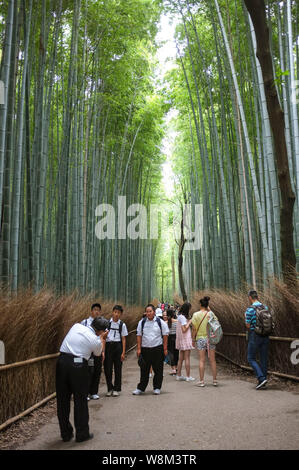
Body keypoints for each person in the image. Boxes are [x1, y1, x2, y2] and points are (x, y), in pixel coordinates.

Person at [56, 316, 109, 443]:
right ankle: (82, 433)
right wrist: (102, 339)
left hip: (62, 362)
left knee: (62, 400)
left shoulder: (76, 326)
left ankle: (65, 434)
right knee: (80, 400)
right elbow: (97, 353)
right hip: (78, 365)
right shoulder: (95, 340)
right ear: (101, 331)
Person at [133, 304, 169, 395]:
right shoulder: (142, 322)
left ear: (154, 312)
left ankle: (157, 387)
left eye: (150, 311)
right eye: (147, 311)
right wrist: (138, 348)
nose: (148, 313)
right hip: (145, 349)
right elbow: (139, 335)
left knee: (158, 370)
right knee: (144, 370)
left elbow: (165, 335)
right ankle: (141, 388)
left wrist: (165, 348)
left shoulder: (160, 322)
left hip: (157, 348)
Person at [245, 290, 269, 389]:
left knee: (250, 358)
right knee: (263, 359)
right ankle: (263, 381)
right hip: (266, 335)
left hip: (255, 335)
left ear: (250, 297)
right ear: (257, 297)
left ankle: (261, 378)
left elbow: (247, 325)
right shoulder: (265, 307)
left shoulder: (250, 309)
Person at [191, 296, 217, 387]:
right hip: (211, 339)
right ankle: (214, 380)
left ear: (200, 304)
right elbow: (216, 324)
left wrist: (193, 339)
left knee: (202, 360)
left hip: (200, 338)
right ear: (207, 305)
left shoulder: (196, 314)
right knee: (213, 360)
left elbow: (194, 329)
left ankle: (202, 381)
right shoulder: (211, 314)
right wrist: (209, 309)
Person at [81, 303, 104, 400]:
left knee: (97, 370)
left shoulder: (102, 323)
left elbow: (103, 338)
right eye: (95, 309)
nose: (97, 311)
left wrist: (103, 351)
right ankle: (85, 393)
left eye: (98, 310)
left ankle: (94, 392)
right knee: (87, 372)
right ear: (91, 311)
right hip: (87, 351)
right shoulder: (85, 322)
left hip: (97, 350)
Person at [104, 305, 128, 397]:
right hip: (108, 347)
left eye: (118, 313)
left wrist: (123, 352)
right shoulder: (107, 323)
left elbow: (124, 339)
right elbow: (103, 336)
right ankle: (109, 388)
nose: (116, 314)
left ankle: (116, 389)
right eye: (115, 312)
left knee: (118, 369)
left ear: (121, 314)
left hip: (118, 347)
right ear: (112, 312)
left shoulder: (122, 324)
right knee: (108, 368)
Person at [175, 302, 195, 382]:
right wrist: (189, 322)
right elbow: (184, 330)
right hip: (185, 338)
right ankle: (188, 376)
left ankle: (179, 375)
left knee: (181, 359)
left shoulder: (179, 316)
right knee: (187, 358)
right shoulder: (183, 317)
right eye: (189, 309)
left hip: (181, 339)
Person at [167, 308, 179, 375]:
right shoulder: (177, 321)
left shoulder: (165, 323)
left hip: (169, 339)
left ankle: (173, 369)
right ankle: (176, 368)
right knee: (176, 353)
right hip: (176, 338)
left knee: (170, 354)